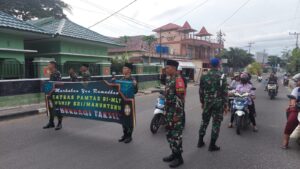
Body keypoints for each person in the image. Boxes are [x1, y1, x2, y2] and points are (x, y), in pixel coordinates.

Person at [197, 58, 228, 151]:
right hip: (218, 103)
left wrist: (202, 102)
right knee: (216, 123)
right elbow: (225, 92)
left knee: (204, 122)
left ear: (210, 65)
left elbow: (201, 91)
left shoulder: (204, 76)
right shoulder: (222, 76)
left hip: (207, 102)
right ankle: (212, 145)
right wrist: (226, 105)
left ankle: (200, 141)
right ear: (218, 65)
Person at [162, 60, 185, 168]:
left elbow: (180, 99)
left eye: (168, 68)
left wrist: (177, 115)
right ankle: (173, 153)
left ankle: (179, 158)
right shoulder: (169, 79)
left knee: (176, 136)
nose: (166, 69)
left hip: (176, 113)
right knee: (169, 134)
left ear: (174, 69)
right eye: (166, 68)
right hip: (168, 112)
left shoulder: (178, 80)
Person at [116, 63, 138, 144]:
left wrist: (135, 85)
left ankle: (129, 136)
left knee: (129, 119)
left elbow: (135, 91)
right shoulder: (121, 79)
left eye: (124, 68)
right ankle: (124, 134)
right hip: (122, 102)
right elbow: (117, 89)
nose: (123, 69)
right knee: (123, 119)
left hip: (129, 102)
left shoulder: (133, 80)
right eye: (123, 68)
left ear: (129, 70)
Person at [43, 61, 63, 130]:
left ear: (53, 65)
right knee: (51, 108)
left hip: (56, 94)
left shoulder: (57, 73)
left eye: (49, 65)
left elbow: (59, 84)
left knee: (57, 108)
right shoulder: (51, 74)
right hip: (51, 94)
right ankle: (51, 123)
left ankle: (59, 123)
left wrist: (50, 92)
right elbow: (51, 84)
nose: (48, 66)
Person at [282, 75, 300, 149]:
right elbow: (292, 99)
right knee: (291, 121)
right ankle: (286, 140)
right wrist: (293, 104)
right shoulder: (297, 90)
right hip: (297, 108)